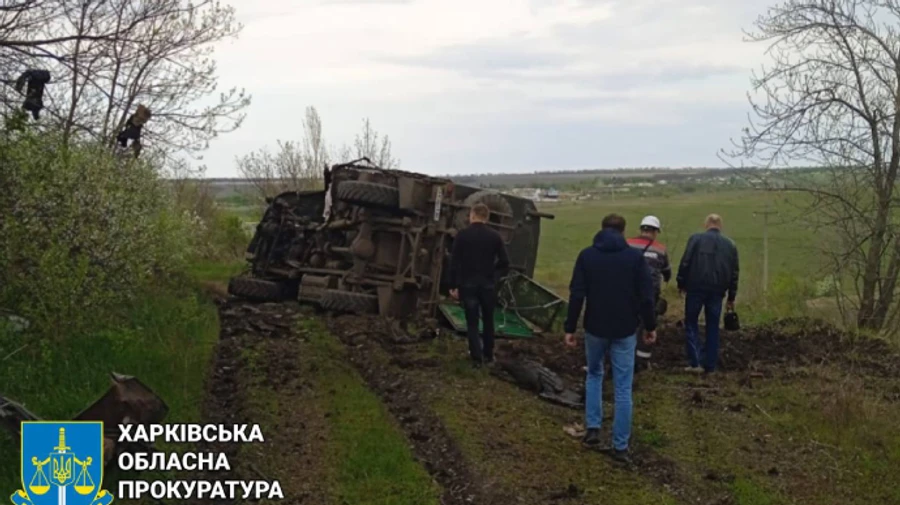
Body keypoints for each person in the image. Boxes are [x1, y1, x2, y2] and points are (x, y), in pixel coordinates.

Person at [564, 213, 657, 464]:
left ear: (602, 229)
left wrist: (570, 327)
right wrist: (650, 326)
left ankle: (593, 428)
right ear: (623, 231)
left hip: (595, 327)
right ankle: (620, 447)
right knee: (623, 387)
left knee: (594, 374)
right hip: (626, 329)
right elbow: (647, 298)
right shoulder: (634, 259)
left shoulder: (587, 256)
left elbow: (577, 294)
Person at [676, 213, 739, 374]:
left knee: (691, 322)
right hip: (718, 292)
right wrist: (731, 296)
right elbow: (734, 273)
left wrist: (681, 282)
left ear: (706, 224)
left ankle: (695, 362)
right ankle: (710, 365)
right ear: (720, 226)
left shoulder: (695, 239)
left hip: (695, 288)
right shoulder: (730, 245)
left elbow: (685, 262)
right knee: (713, 326)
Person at [449, 203, 510, 368]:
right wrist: (494, 275)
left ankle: (476, 357)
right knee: (489, 320)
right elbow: (505, 263)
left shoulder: (462, 235)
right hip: (488, 286)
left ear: (472, 215)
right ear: (487, 217)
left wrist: (454, 285)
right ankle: (489, 355)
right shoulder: (495, 237)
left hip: (467, 285)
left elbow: (454, 263)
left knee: (472, 322)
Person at [626, 215, 671, 371]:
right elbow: (666, 272)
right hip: (650, 295)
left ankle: (624, 357)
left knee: (628, 325)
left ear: (641, 229)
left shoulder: (628, 243)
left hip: (628, 293)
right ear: (655, 231)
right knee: (647, 326)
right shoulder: (660, 249)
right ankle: (642, 361)